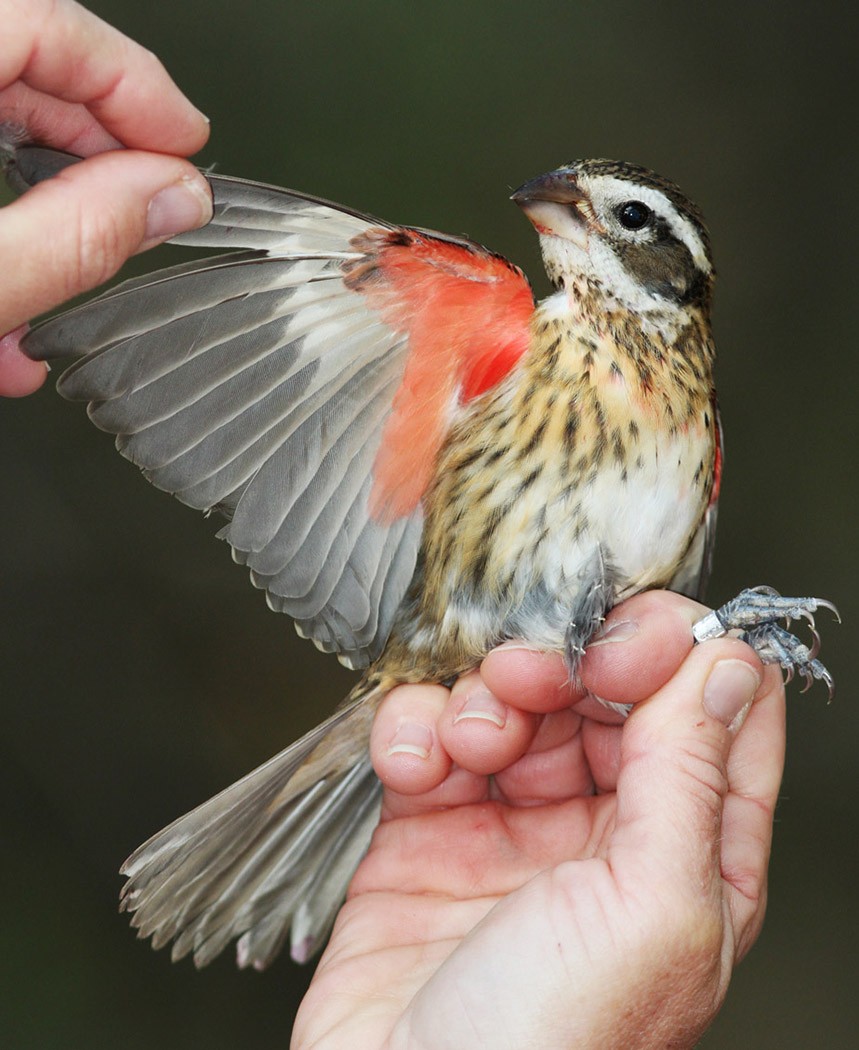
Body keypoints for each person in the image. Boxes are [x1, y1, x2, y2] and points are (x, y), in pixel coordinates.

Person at [1, 3, 784, 1047]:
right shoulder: (496, 326)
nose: (568, 211)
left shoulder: (697, 420)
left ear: (678, 275)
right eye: (579, 203)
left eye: (625, 218)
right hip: (445, 624)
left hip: (529, 690)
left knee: (665, 646)